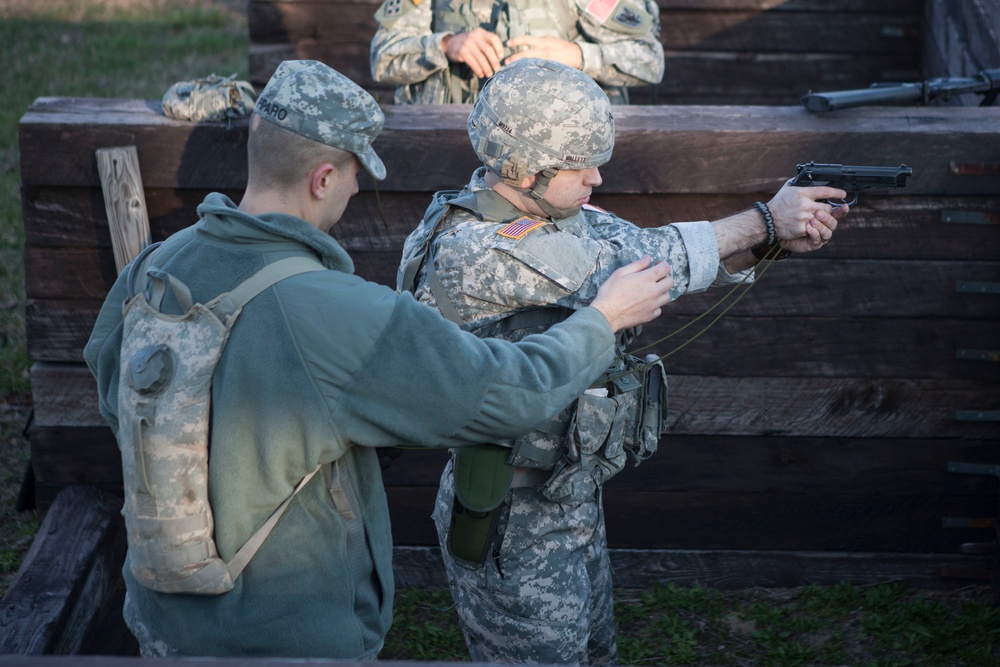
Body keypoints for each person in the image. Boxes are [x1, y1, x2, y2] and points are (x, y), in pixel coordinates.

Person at [83, 60, 675, 659]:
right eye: (354, 172)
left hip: (162, 618)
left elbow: (111, 385)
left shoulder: (156, 266)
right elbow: (508, 395)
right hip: (290, 631)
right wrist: (604, 319)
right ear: (321, 179)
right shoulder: (342, 312)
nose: (357, 187)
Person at [397, 57, 850, 666]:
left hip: (568, 491)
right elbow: (637, 262)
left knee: (595, 652)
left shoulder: (555, 213)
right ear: (522, 168)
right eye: (579, 163)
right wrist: (764, 219)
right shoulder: (475, 250)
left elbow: (646, 257)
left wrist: (771, 244)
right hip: (514, 515)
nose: (597, 176)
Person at [369, 0, 664, 104]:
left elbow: (649, 59)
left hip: (553, 163)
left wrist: (576, 55)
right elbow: (383, 58)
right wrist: (444, 45)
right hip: (445, 153)